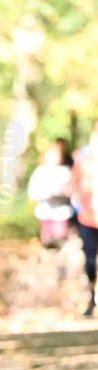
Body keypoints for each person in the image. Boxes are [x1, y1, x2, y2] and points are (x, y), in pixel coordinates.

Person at [71, 121, 98, 316]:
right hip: (88, 218)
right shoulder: (84, 160)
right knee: (90, 261)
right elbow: (74, 186)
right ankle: (90, 298)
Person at [27, 142, 74, 247]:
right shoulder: (40, 172)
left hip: (61, 212)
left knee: (60, 239)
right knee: (47, 240)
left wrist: (64, 192)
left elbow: (72, 189)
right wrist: (46, 193)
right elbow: (32, 192)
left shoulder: (65, 172)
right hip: (45, 211)